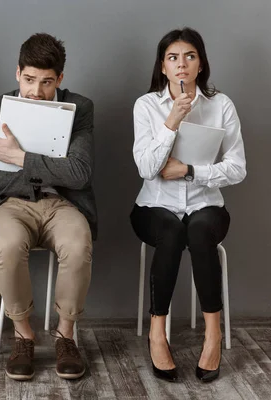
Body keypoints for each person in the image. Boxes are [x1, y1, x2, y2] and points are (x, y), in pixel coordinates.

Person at [0, 33, 97, 381]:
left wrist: (18, 157)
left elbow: (80, 173)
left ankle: (66, 335)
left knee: (77, 244)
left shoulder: (80, 107)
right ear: (17, 73)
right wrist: (46, 169)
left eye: (46, 82)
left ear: (60, 78)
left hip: (63, 204)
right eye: (29, 80)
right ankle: (23, 335)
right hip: (11, 205)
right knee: (9, 246)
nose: (36, 91)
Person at [130, 27, 246, 383]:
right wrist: (173, 119)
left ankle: (213, 335)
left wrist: (191, 171)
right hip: (153, 207)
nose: (182, 64)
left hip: (206, 206)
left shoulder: (221, 105)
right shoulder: (147, 105)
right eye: (173, 58)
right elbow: (147, 169)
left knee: (196, 229)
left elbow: (238, 168)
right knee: (171, 229)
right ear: (163, 67)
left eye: (190, 56)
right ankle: (156, 333)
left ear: (200, 64)